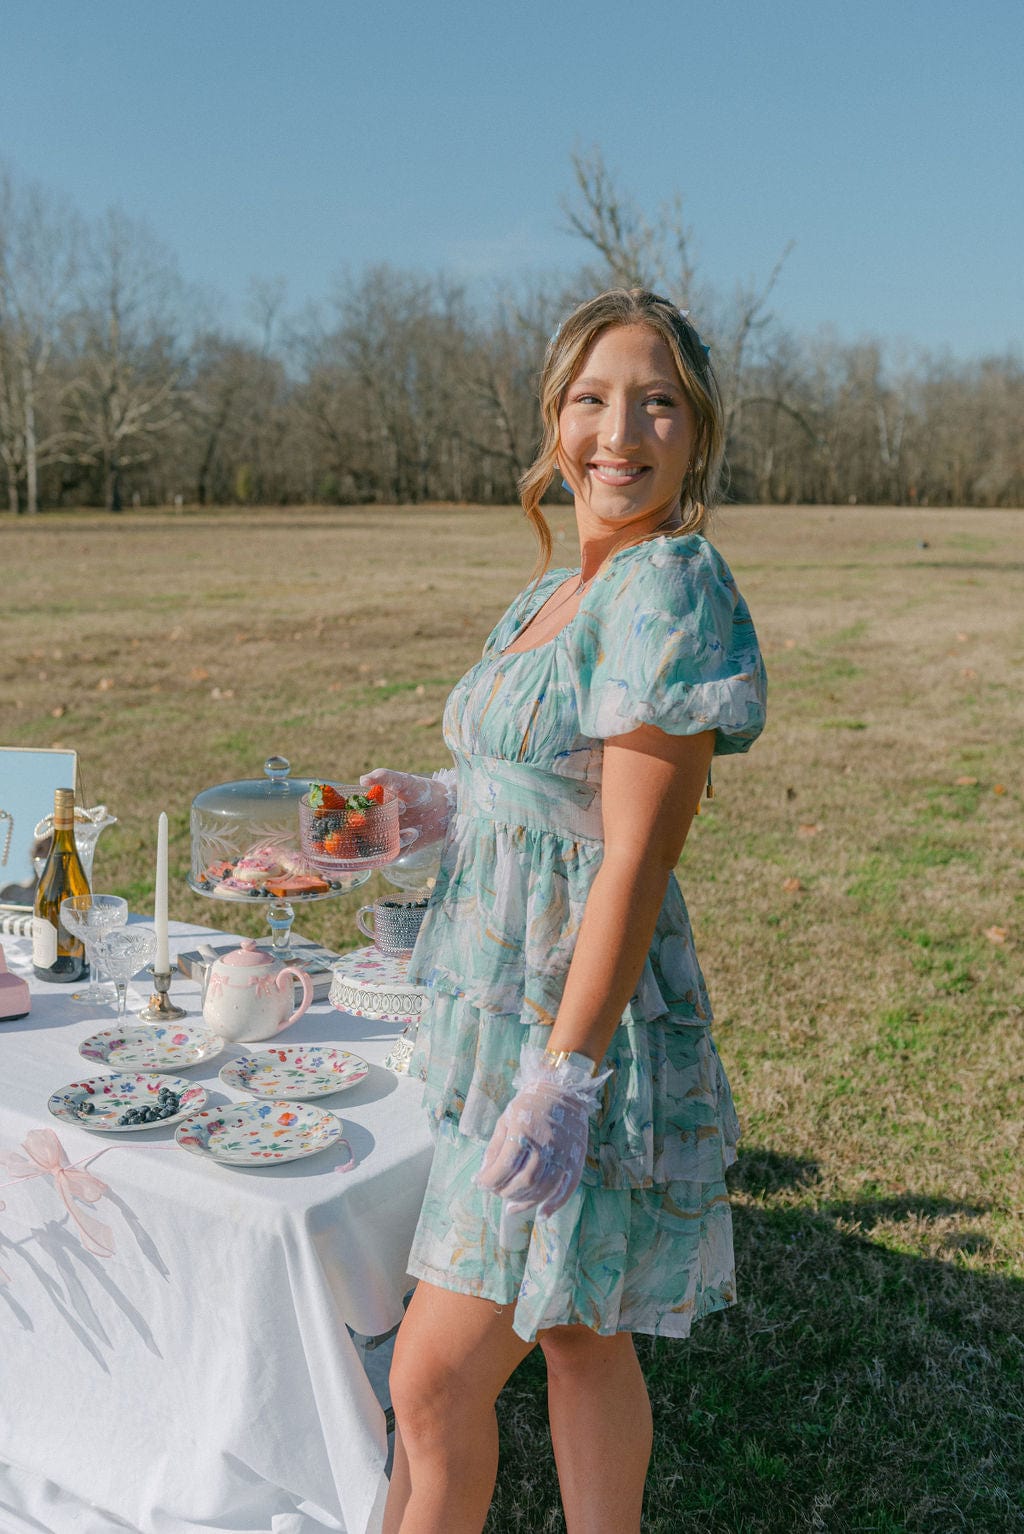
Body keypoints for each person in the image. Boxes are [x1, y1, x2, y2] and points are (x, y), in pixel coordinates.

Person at [363, 288, 767, 1534]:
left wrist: (568, 1080)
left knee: (430, 1381)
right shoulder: (555, 587)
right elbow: (551, 793)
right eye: (592, 398)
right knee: (582, 1330)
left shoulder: (667, 586)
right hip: (497, 1010)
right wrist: (436, 806)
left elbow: (636, 858)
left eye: (656, 402)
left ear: (694, 433)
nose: (619, 430)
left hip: (569, 1029)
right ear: (554, 418)